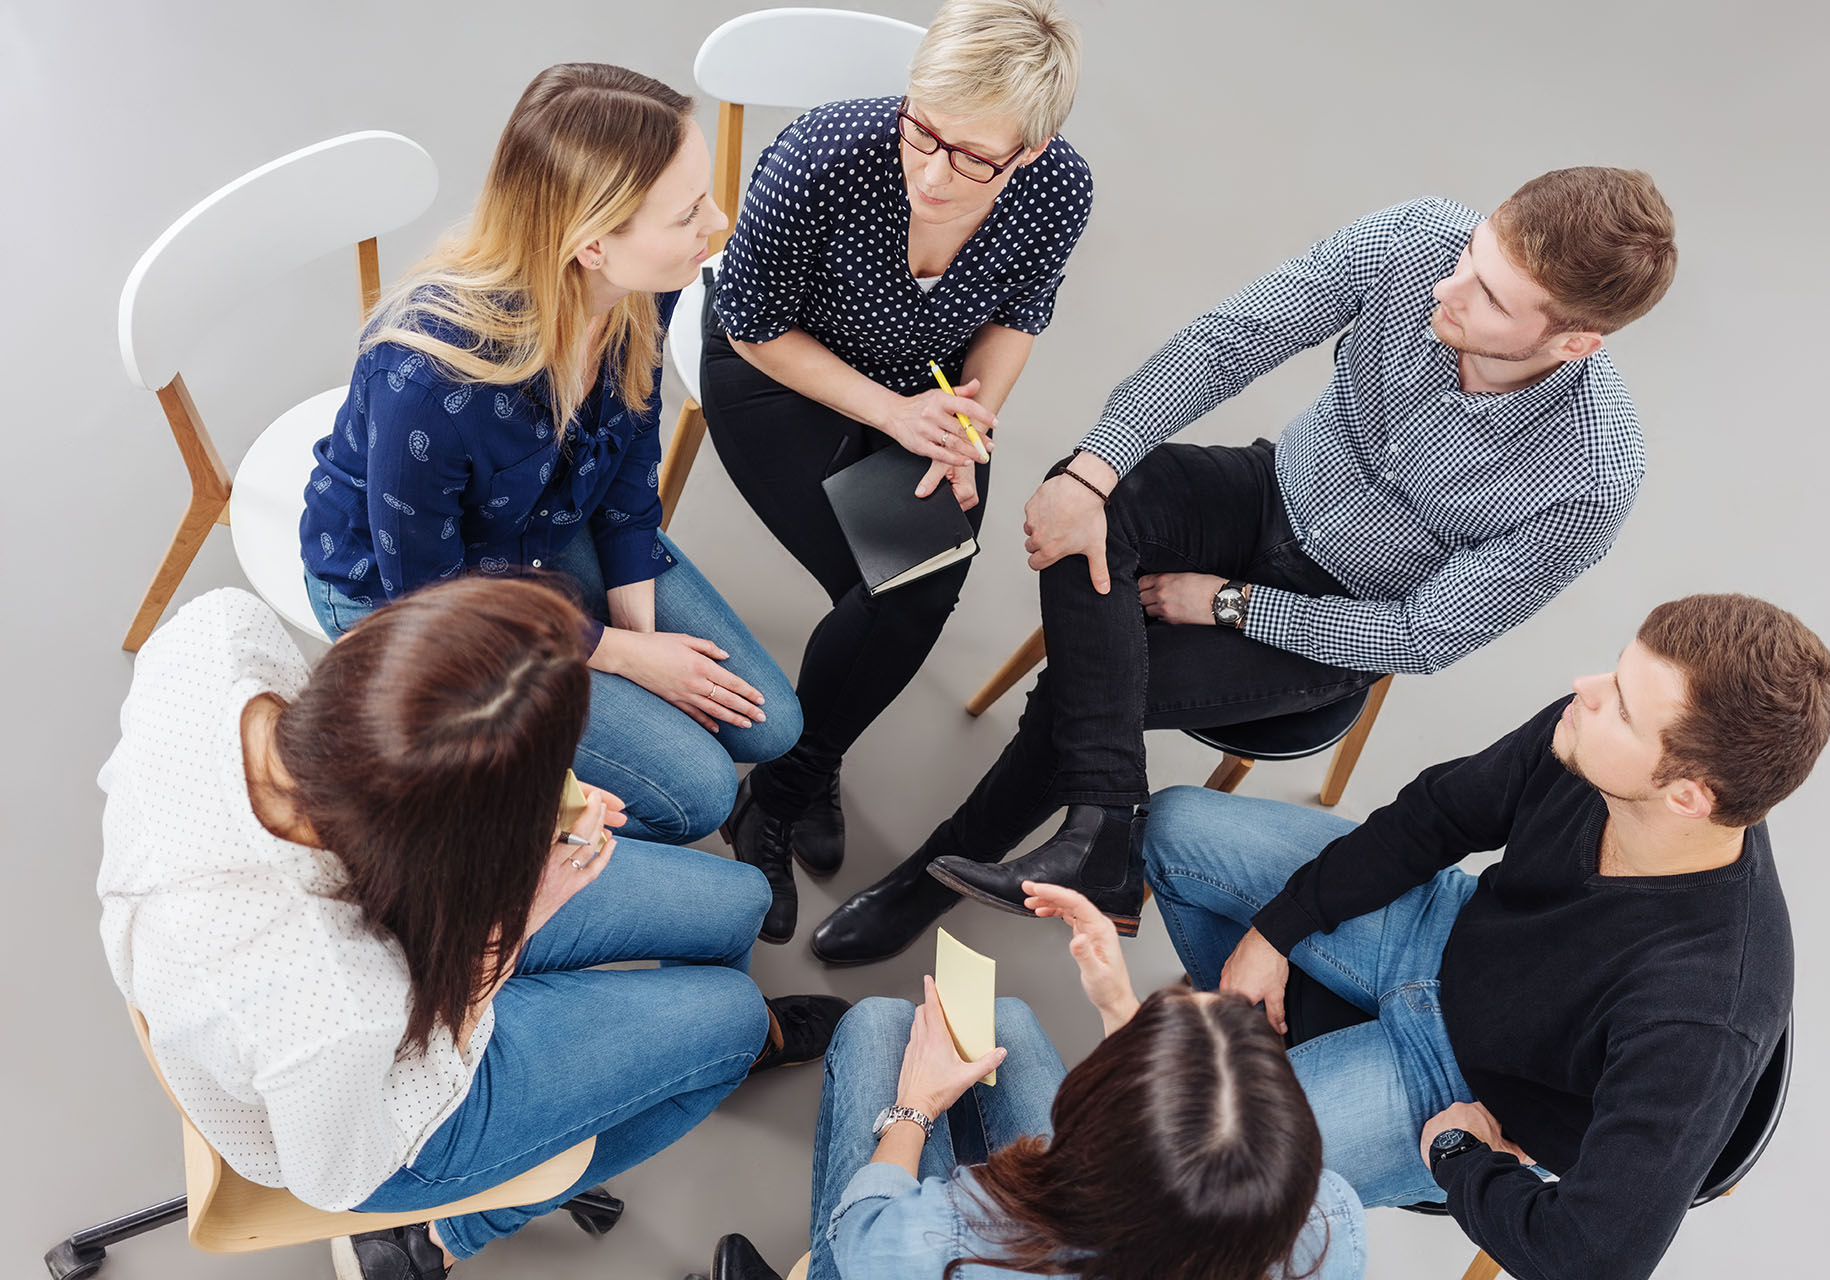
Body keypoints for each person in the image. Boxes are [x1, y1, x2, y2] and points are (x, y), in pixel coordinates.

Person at [810, 166, 1679, 962]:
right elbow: (1231, 340)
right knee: (1089, 496)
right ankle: (1107, 829)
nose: (1446, 290)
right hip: (1270, 487)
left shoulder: (1592, 474)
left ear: (1574, 343)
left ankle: (928, 878)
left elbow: (1426, 635)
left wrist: (1232, 605)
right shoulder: (1418, 239)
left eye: (1489, 296)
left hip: (1339, 619)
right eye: (1470, 254)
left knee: (1091, 689)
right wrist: (1091, 467)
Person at [96, 581, 849, 1280]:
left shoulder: (219, 634)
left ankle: (691, 1046)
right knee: (734, 1023)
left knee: (741, 899)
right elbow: (340, 1176)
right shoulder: (332, 1006)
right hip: (391, 1106)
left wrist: (507, 800)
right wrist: (520, 921)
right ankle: (448, 1232)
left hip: (377, 902)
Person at [1140, 594, 1830, 1279]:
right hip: (1443, 935)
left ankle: (1256, 1143)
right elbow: (1438, 816)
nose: (1586, 689)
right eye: (1616, 672)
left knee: (1183, 1180)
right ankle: (1245, 1039)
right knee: (1172, 829)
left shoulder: (1703, 1011)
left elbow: (1595, 1256)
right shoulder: (1588, 741)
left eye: (1622, 706)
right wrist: (1275, 930)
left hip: (1470, 1093)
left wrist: (1460, 1156)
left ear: (1688, 795)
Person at [299, 63, 801, 858]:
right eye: (687, 214)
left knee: (775, 726)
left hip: (543, 518)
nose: (720, 220)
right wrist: (625, 656)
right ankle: (540, 845)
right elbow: (432, 600)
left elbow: (632, 446)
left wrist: (634, 620)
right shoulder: (426, 382)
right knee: (699, 794)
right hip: (417, 595)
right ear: (593, 243)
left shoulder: (643, 286)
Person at [701, 0, 1093, 943]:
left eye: (972, 158)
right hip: (785, 372)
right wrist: (895, 416)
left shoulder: (1060, 190)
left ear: (1030, 153)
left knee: (914, 586)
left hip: (931, 390)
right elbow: (753, 327)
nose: (932, 170)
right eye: (923, 131)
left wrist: (971, 414)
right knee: (889, 589)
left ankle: (786, 783)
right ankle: (796, 780)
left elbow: (1018, 317)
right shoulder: (820, 157)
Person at [705, 882, 1365, 1280]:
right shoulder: (1326, 1215)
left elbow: (869, 1238)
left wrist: (916, 1107)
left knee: (879, 1026)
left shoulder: (972, 1247)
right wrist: (1115, 1004)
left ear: (1097, 1144)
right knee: (1006, 1023)